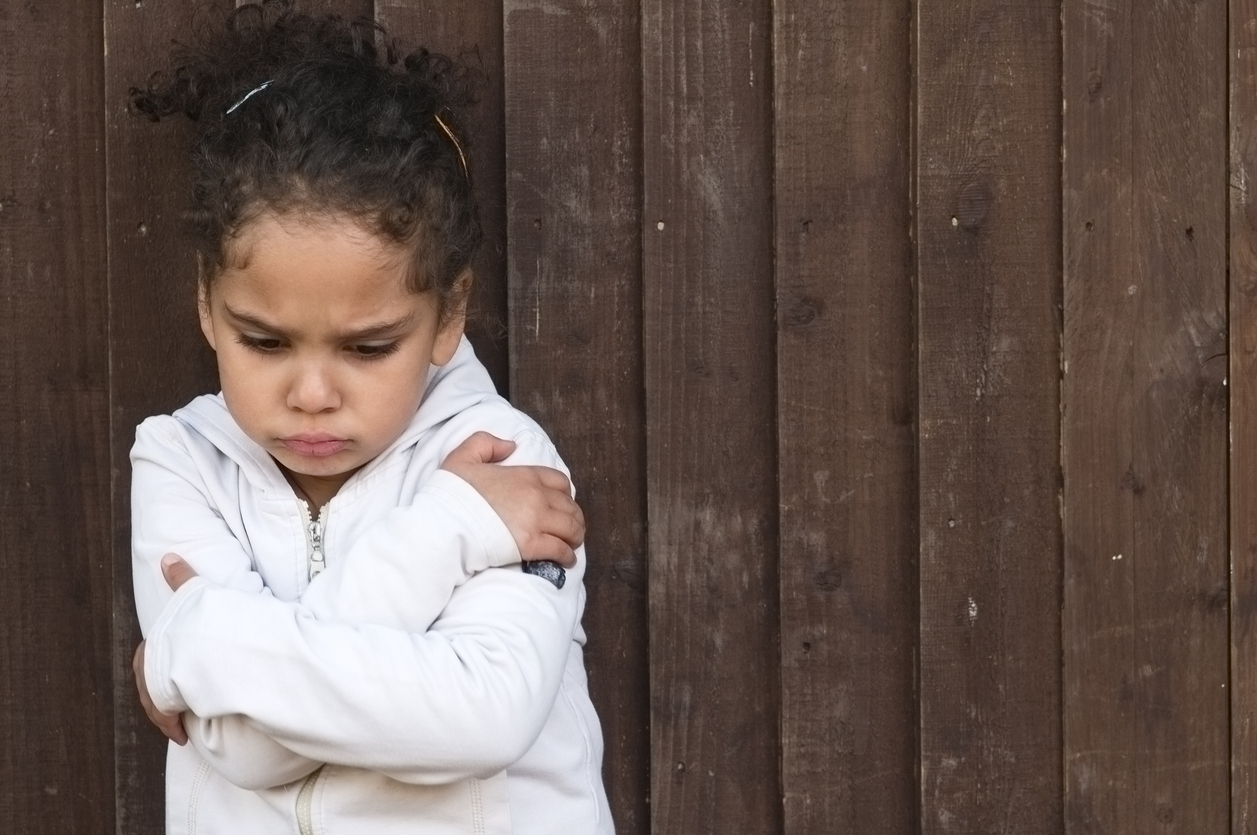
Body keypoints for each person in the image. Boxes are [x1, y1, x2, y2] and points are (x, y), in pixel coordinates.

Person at [126, 3, 614, 833]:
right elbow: (246, 753)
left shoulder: (501, 464)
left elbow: (481, 715)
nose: (312, 392)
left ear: (447, 314)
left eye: (366, 348)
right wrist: (446, 536)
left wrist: (198, 644)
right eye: (265, 340)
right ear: (207, 305)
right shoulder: (179, 464)